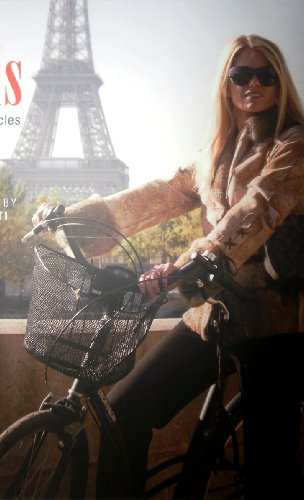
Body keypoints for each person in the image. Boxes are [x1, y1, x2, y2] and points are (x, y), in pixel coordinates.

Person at [33, 34, 304, 498]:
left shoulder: (293, 146)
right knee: (125, 410)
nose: (253, 83)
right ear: (226, 83)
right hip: (211, 315)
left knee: (270, 472)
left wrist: (202, 259)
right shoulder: (215, 153)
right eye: (241, 74)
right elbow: (155, 197)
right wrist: (74, 220)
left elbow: (258, 210)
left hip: (272, 321)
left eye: (266, 74)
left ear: (281, 84)